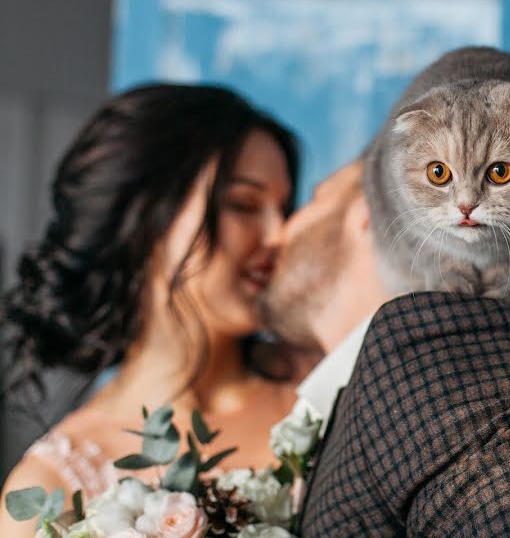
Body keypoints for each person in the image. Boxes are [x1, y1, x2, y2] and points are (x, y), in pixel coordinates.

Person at [259, 161, 510, 536]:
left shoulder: (446, 356)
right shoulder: (387, 384)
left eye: (311, 199)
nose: (278, 234)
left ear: (373, 210)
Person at [0, 84, 312, 537]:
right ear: (146, 220)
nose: (278, 235)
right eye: (244, 204)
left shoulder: (320, 393)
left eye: (284, 210)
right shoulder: (54, 491)